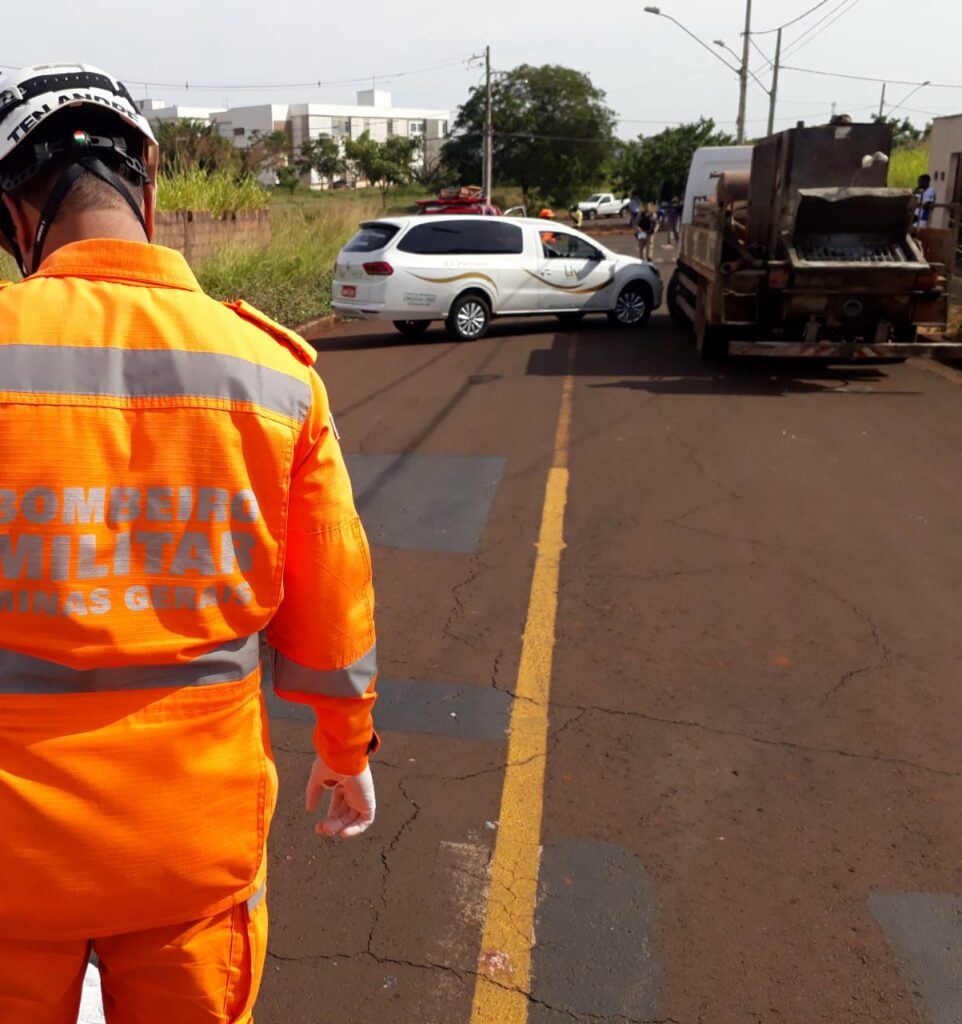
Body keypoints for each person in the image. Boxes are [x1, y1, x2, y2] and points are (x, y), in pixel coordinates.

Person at [0, 62, 378, 1023]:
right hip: (188, 849)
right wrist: (344, 748)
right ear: (152, 192)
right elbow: (331, 607)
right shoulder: (272, 371)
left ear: (14, 217)